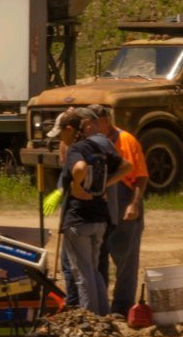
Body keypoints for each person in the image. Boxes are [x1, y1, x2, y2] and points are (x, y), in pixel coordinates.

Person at [47, 107, 130, 316]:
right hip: (99, 219)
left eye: (61, 135)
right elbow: (126, 166)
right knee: (93, 271)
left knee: (82, 273)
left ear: (70, 129)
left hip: (79, 220)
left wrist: (76, 187)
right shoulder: (98, 146)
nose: (61, 140)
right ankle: (103, 317)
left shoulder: (76, 149)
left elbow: (80, 168)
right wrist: (104, 185)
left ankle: (90, 319)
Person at [89, 104, 149, 317]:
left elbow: (141, 176)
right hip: (101, 204)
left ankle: (122, 308)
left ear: (105, 120)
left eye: (94, 122)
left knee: (125, 259)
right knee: (99, 257)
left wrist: (134, 204)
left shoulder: (126, 140)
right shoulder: (91, 141)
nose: (91, 126)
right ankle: (101, 306)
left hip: (125, 201)